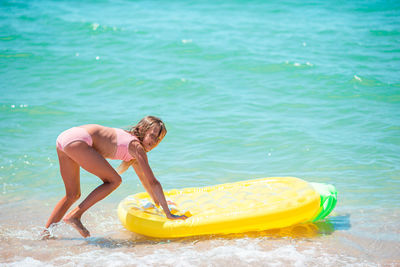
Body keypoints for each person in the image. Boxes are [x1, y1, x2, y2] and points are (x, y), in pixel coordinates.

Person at [43, 116, 186, 238]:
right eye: (153, 136)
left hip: (65, 138)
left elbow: (145, 180)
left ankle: (46, 234)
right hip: (78, 140)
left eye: (159, 139)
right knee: (114, 180)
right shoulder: (137, 147)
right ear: (142, 130)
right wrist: (169, 214)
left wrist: (158, 203)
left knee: (72, 195)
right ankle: (74, 216)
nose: (155, 141)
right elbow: (154, 182)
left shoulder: (132, 146)